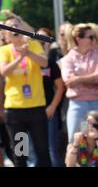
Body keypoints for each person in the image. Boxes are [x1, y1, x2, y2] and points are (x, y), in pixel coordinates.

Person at [0, 16, 51, 167]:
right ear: (6, 34)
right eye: (10, 27)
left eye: (17, 25)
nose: (14, 28)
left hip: (36, 108)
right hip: (16, 111)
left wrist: (28, 53)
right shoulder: (4, 50)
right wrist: (20, 56)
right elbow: (4, 71)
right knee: (21, 153)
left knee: (42, 151)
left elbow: (44, 63)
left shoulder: (33, 45)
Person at [58, 23, 98, 143]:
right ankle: (79, 162)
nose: (94, 40)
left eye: (94, 36)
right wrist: (91, 78)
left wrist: (79, 79)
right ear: (78, 39)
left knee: (95, 140)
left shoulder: (96, 55)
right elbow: (68, 81)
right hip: (78, 105)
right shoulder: (68, 59)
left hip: (95, 103)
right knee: (78, 139)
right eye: (90, 37)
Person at [37, 28, 66, 167]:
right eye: (38, 38)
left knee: (51, 149)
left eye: (45, 39)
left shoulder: (50, 63)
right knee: (24, 150)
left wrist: (52, 107)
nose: (41, 42)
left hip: (48, 111)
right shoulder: (24, 60)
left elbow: (61, 86)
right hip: (22, 113)